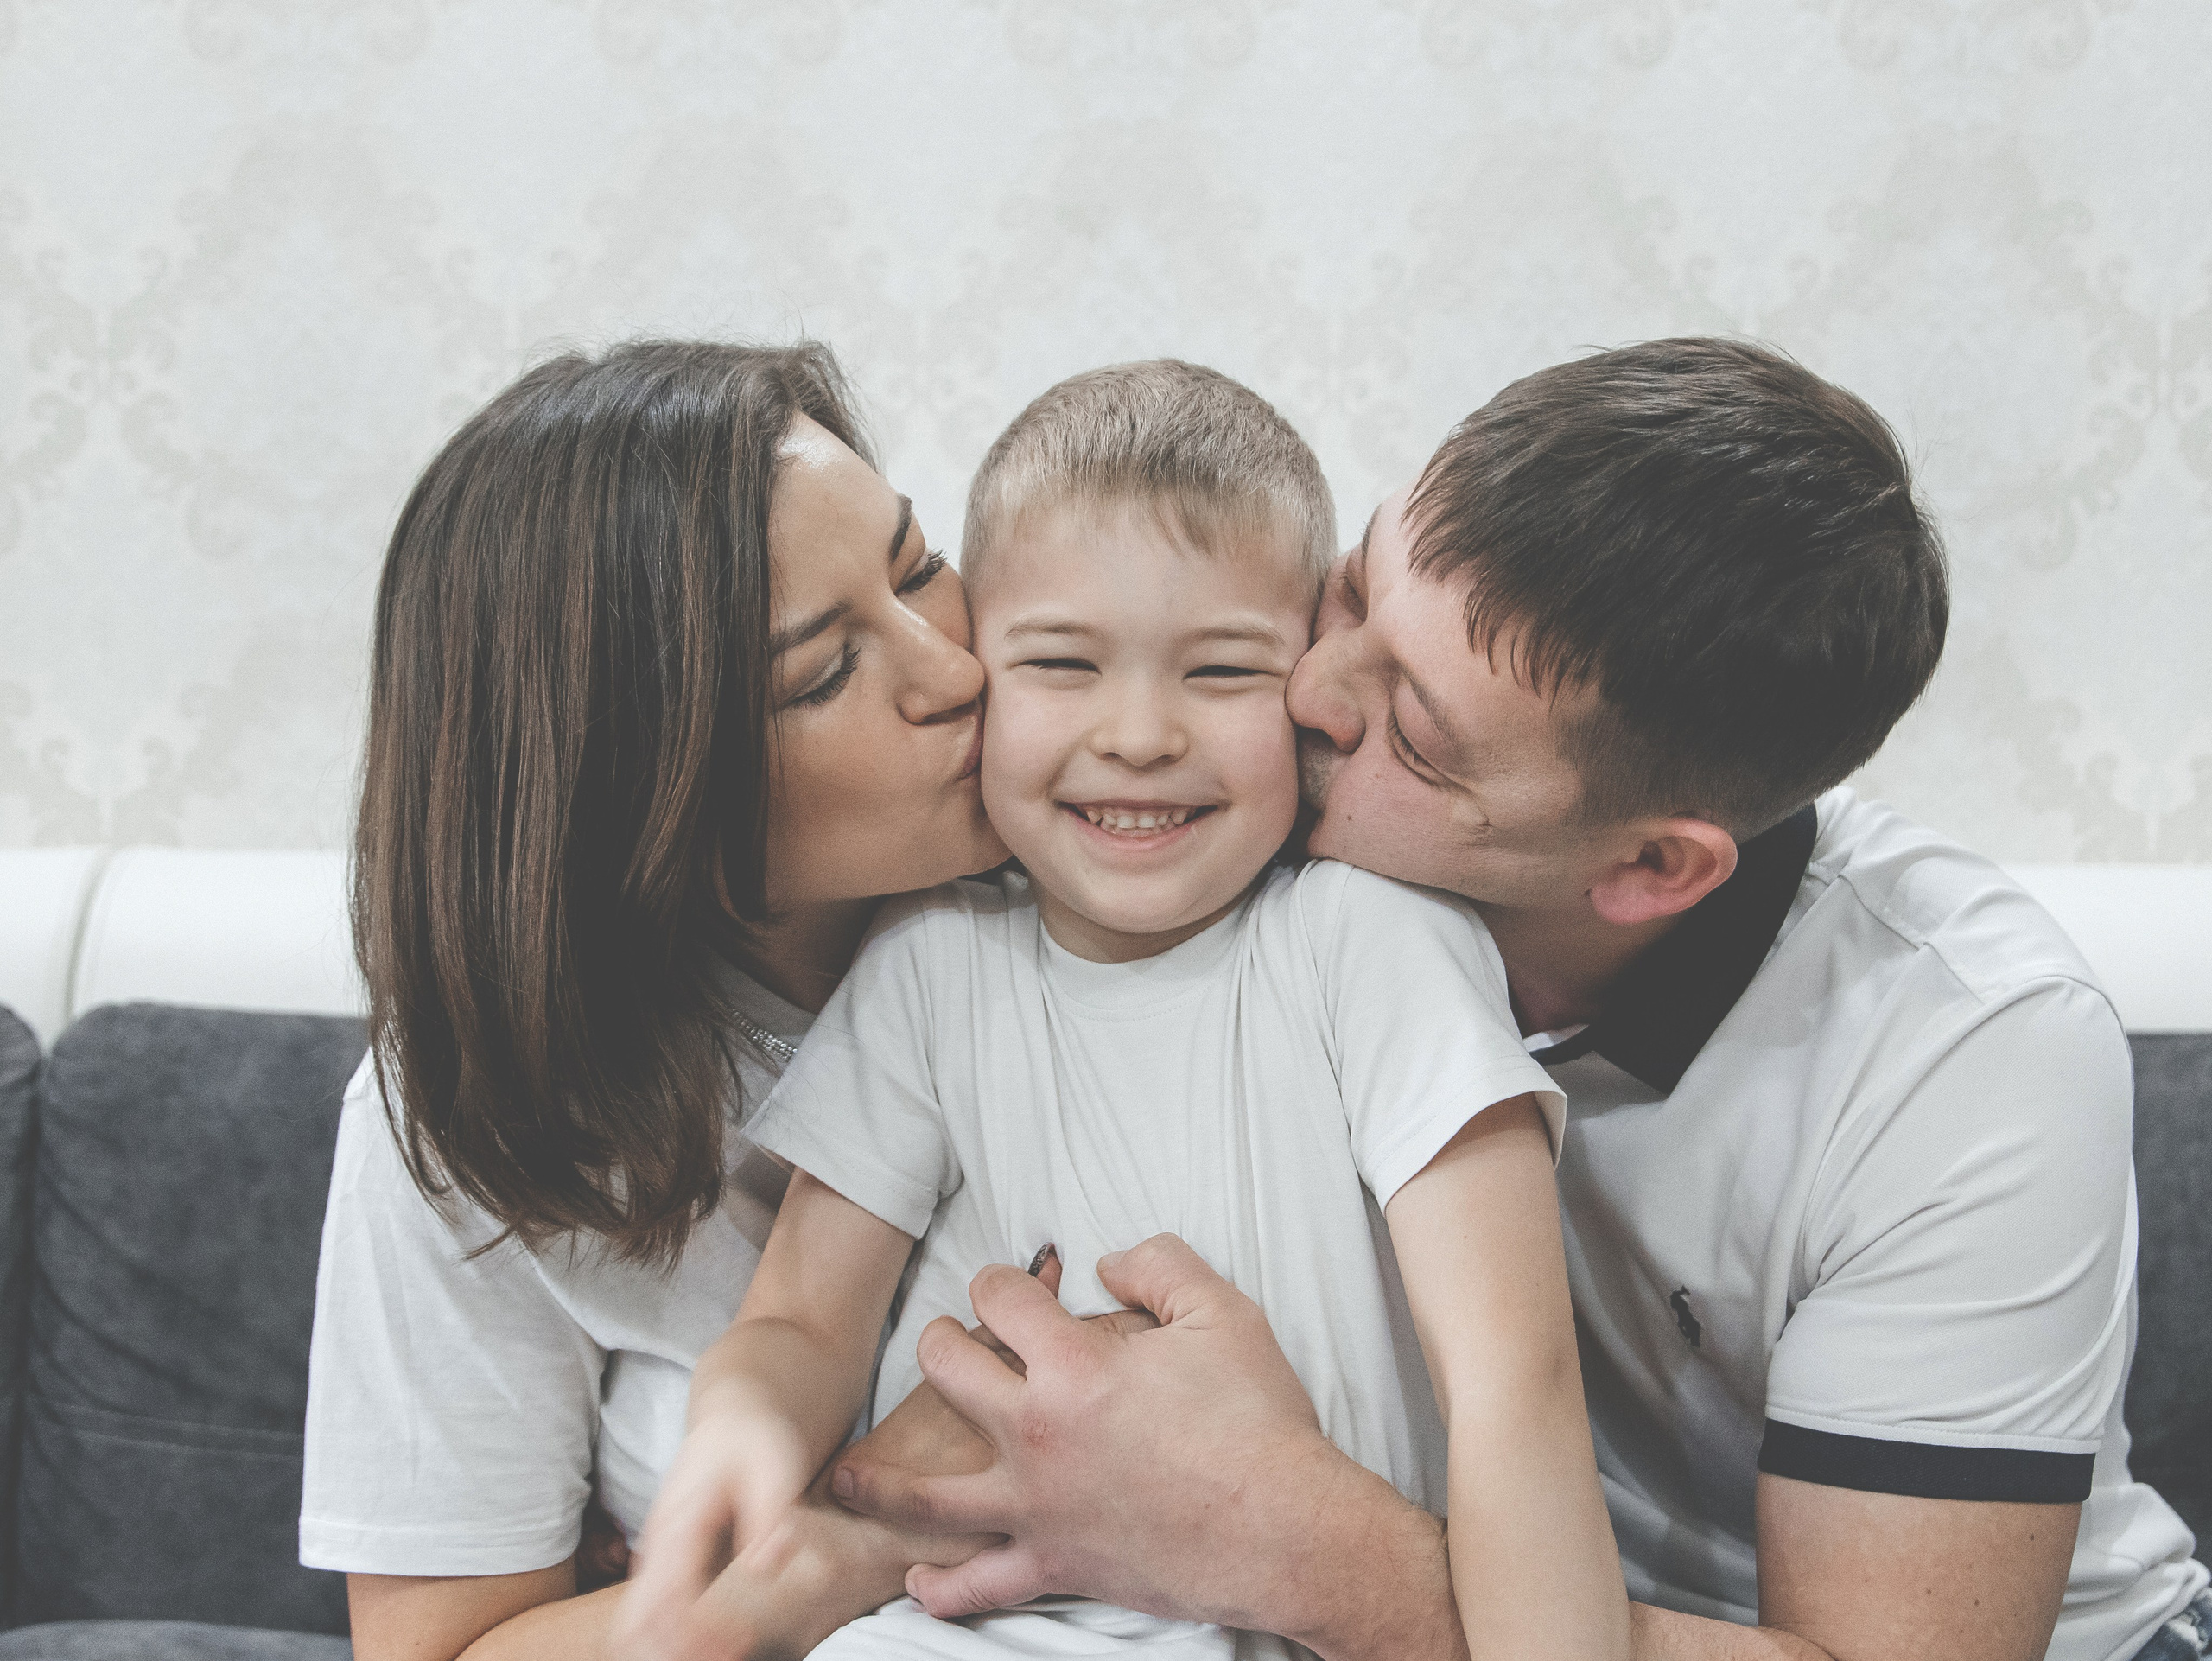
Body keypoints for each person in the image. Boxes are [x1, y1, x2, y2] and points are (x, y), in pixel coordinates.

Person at [823, 340, 2212, 1661]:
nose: (1305, 694)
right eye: (1356, 593)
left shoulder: (1965, 1054)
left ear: (1651, 867)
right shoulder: (1223, 879)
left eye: (1414, 733)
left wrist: (1287, 1540)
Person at [618, 360, 1631, 1661]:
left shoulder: (1375, 942)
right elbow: (802, 1320)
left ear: (1309, 681)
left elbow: (1515, 1391)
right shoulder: (933, 961)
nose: (1141, 733)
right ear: (979, 667)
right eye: (1059, 662)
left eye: (1221, 671)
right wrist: (745, 1428)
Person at [301, 339, 1020, 1661]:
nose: (954, 670)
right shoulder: (479, 1118)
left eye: (919, 565)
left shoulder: (1129, 870)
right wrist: (850, 1536)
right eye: (823, 673)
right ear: (643, 794)